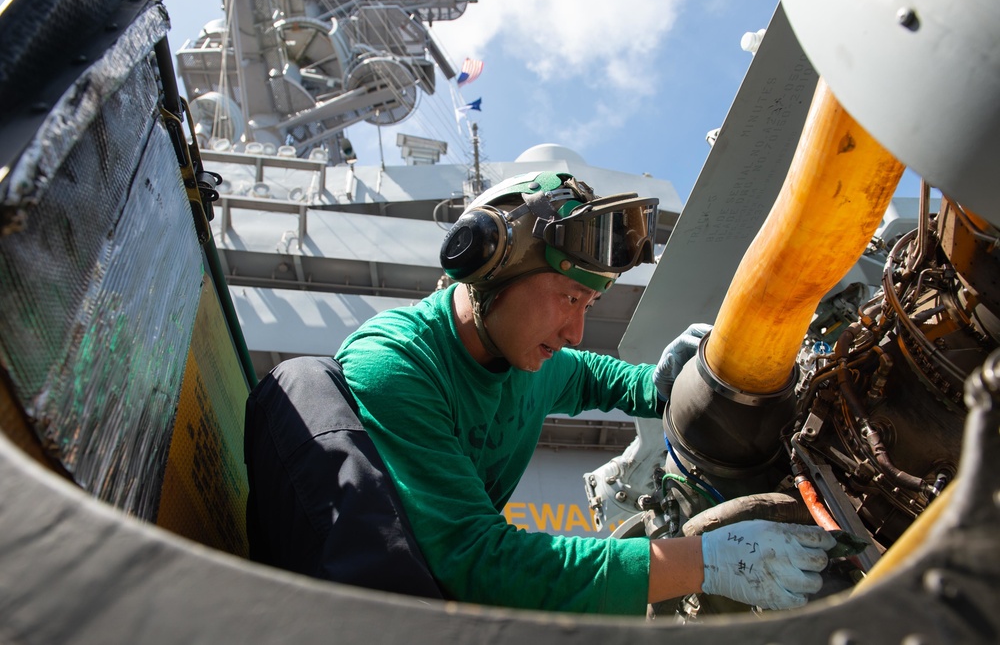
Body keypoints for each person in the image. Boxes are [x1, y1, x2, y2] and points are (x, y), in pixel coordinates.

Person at [243, 171, 835, 615]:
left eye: (589, 305)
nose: (576, 330)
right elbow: (477, 560)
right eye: (567, 298)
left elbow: (610, 379)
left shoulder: (535, 359)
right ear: (488, 266)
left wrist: (685, 377)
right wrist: (703, 561)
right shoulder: (397, 363)